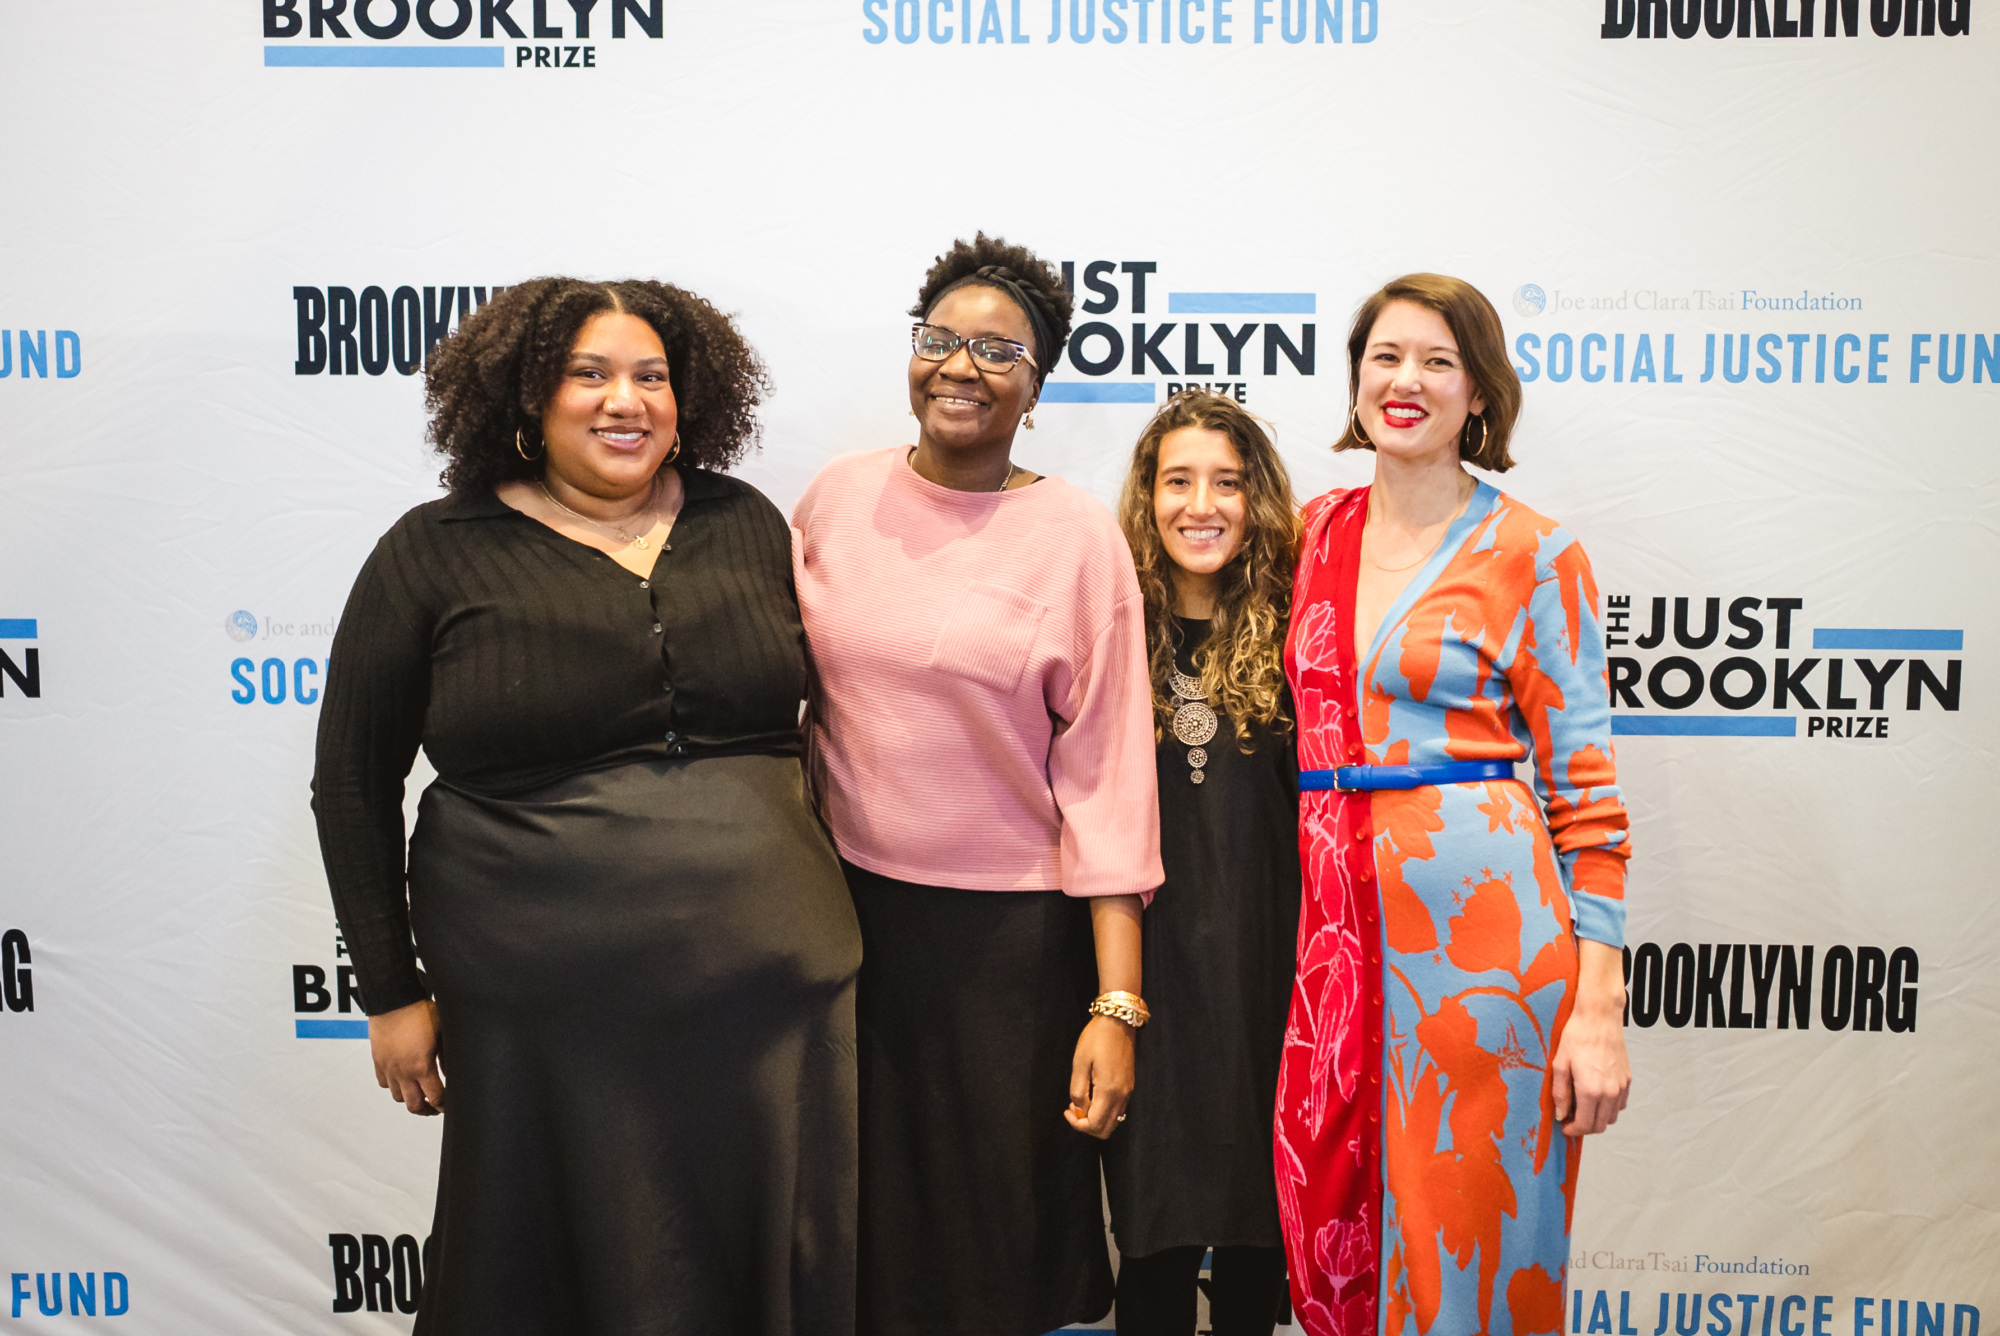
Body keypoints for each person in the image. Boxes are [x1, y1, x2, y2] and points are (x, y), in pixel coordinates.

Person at [311, 278, 861, 1336]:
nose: (627, 400)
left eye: (652, 376)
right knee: (550, 1272)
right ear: (525, 398)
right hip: (544, 1020)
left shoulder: (741, 521)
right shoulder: (430, 550)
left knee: (771, 1267)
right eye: (590, 374)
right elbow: (350, 781)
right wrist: (388, 988)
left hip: (770, 1002)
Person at [790, 233, 1163, 1336]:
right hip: (841, 925)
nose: (960, 364)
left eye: (997, 350)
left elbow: (1106, 786)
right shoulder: (833, 498)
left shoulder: (1078, 540)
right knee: (864, 1235)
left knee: (1005, 1245)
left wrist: (1114, 1006)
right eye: (940, 339)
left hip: (1010, 950)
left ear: (1036, 387)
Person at [1277, 274, 1633, 1336]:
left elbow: (1588, 801)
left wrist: (1599, 1009)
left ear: (1477, 393)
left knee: (1472, 1253)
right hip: (1330, 945)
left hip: (1483, 965)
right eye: (1383, 357)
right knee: (1334, 1234)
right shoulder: (1304, 534)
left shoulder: (1532, 550)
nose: (1405, 381)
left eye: (1437, 361)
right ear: (1352, 382)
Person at [1102, 392, 1303, 1336]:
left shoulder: (1304, 640)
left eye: (1228, 482)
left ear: (1258, 500)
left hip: (1277, 977)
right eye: (1178, 480)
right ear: (1146, 498)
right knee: (1154, 1232)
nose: (1202, 504)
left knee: (1266, 1229)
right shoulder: (1108, 637)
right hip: (1146, 976)